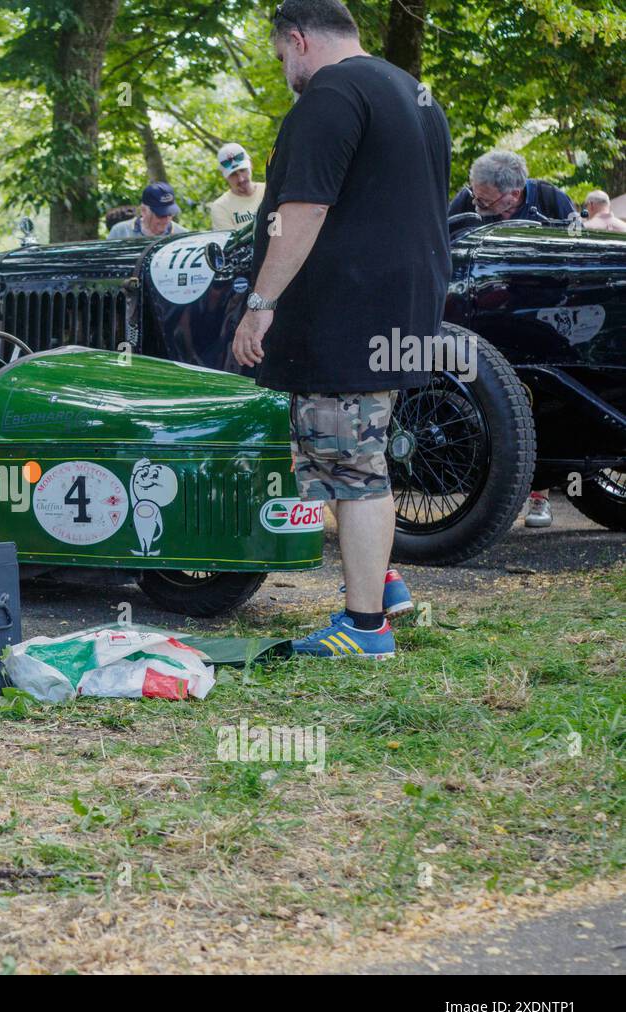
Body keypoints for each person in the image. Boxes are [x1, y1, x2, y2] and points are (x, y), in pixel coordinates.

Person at [231, 0, 451, 660]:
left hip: (348, 310)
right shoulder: (411, 93)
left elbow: (304, 207)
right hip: (401, 308)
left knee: (352, 465)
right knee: (347, 449)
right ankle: (382, 583)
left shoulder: (330, 93)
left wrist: (261, 299)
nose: (285, 73)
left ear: (298, 40)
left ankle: (363, 629)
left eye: (280, 59)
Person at [448, 150, 575, 223]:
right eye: (474, 195)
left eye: (485, 201)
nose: (475, 202)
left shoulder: (551, 199)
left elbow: (579, 242)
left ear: (514, 194)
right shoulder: (466, 199)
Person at [208, 142, 266, 230]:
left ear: (251, 165)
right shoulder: (220, 207)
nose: (241, 179)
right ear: (224, 176)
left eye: (242, 170)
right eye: (233, 174)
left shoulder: (269, 190)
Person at [106, 182, 188, 239]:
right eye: (160, 215)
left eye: (170, 213)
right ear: (143, 211)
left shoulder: (182, 236)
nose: (166, 219)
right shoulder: (120, 232)